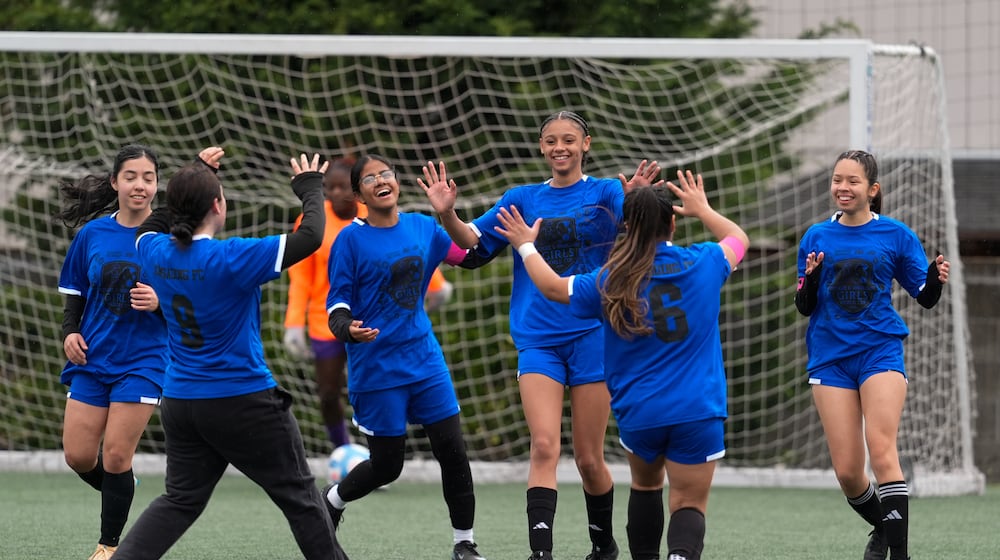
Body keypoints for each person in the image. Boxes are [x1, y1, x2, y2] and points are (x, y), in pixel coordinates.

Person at [420, 110, 662, 560]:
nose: (560, 148)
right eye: (551, 140)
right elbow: (471, 242)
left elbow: (643, 234)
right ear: (541, 147)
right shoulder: (523, 198)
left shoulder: (609, 192)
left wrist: (637, 205)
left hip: (594, 335)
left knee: (590, 459)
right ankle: (540, 553)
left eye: (569, 139)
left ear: (586, 143)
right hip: (539, 339)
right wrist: (448, 212)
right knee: (544, 444)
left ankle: (602, 545)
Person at [494, 171, 749, 560]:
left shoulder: (610, 280)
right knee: (687, 503)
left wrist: (527, 247)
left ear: (625, 226)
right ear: (674, 222)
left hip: (640, 413)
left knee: (646, 488)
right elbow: (739, 239)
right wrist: (704, 209)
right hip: (697, 408)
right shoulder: (704, 262)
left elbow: (550, 287)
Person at [113, 149, 349, 560]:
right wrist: (311, 187)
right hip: (242, 401)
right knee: (302, 500)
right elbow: (311, 236)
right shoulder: (231, 257)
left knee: (180, 500)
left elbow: (148, 227)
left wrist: (197, 177)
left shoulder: (153, 251)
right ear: (218, 206)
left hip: (183, 402)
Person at [322, 154, 486, 560]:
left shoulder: (422, 226)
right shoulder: (349, 240)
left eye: (386, 174)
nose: (381, 181)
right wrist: (348, 330)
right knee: (387, 466)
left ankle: (464, 543)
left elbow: (471, 251)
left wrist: (448, 213)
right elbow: (336, 305)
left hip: (424, 360)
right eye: (371, 178)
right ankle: (331, 500)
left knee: (452, 450)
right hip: (377, 367)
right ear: (360, 194)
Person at [795, 150, 950, 560]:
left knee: (881, 449)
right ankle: (884, 528)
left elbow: (925, 297)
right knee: (848, 472)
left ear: (872, 189)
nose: (843, 188)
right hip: (830, 359)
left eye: (853, 181)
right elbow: (804, 306)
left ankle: (898, 555)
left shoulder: (896, 235)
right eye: (837, 180)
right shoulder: (815, 236)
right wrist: (809, 281)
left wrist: (935, 279)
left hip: (880, 352)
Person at [283, 158, 456, 451]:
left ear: (354, 194)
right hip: (327, 319)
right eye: (329, 188)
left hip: (377, 323)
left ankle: (382, 456)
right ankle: (343, 450)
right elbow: (301, 276)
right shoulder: (314, 223)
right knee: (327, 391)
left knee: (384, 388)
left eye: (341, 187)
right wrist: (293, 322)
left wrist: (437, 286)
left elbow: (408, 254)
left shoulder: (375, 214)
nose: (336, 194)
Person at [55, 144, 166, 560]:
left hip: (145, 359)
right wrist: (69, 334)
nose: (140, 185)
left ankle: (109, 547)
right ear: (116, 182)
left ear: (157, 185)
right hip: (93, 357)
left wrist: (161, 301)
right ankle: (123, 488)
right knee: (79, 456)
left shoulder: (169, 238)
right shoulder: (92, 235)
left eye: (149, 178)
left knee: (118, 455)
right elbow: (74, 295)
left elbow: (194, 300)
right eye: (132, 176)